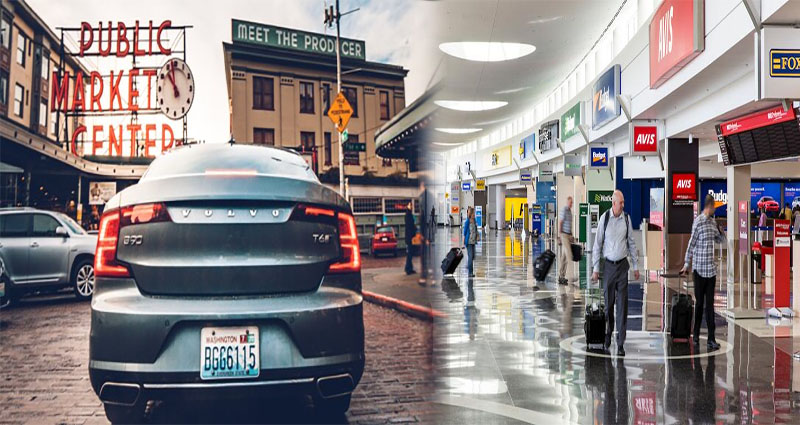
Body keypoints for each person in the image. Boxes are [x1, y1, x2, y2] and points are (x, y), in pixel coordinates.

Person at [592, 190, 640, 356]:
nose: (623, 205)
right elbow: (597, 244)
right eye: (621, 202)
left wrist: (635, 266)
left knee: (622, 306)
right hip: (609, 268)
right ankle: (608, 335)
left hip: (622, 267)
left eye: (623, 202)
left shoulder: (626, 219)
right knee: (609, 305)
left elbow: (632, 244)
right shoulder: (604, 219)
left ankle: (620, 343)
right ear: (614, 203)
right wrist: (596, 269)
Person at [681, 194, 725, 351]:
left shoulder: (713, 222)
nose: (715, 210)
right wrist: (686, 264)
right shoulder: (698, 222)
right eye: (714, 207)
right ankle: (696, 334)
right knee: (699, 304)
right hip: (699, 270)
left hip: (711, 271)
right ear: (710, 206)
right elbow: (691, 244)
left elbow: (719, 241)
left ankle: (711, 339)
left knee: (710, 305)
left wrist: (721, 232)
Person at [558, 196, 575, 285]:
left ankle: (561, 276)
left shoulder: (570, 212)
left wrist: (571, 235)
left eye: (572, 202)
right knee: (569, 255)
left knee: (564, 258)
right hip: (563, 235)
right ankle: (571, 276)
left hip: (568, 235)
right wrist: (559, 236)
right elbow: (560, 222)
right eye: (570, 202)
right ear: (567, 202)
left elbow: (569, 224)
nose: (571, 204)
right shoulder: (564, 210)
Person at [463, 206, 477, 277]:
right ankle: (470, 272)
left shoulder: (474, 221)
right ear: (470, 214)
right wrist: (464, 240)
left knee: (473, 256)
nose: (474, 214)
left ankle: (468, 266)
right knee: (470, 257)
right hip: (468, 242)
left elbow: (476, 229)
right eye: (473, 213)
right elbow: (465, 231)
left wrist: (477, 236)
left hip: (473, 241)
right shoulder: (467, 222)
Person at [404, 202, 417, 275]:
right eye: (410, 205)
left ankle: (409, 268)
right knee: (410, 253)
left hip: (410, 237)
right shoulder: (408, 215)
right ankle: (408, 268)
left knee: (410, 253)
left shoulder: (409, 215)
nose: (411, 206)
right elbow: (410, 226)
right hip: (410, 238)